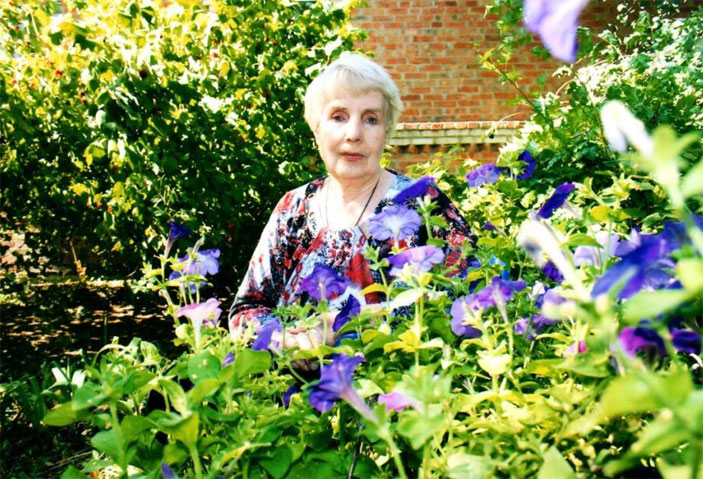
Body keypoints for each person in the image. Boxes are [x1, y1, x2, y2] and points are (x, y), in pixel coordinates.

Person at [229, 53, 472, 367]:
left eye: (370, 119)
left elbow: (469, 295)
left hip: (395, 389)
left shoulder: (421, 201)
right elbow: (246, 309)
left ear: (386, 131)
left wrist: (347, 324)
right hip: (292, 393)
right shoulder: (292, 209)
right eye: (338, 117)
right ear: (317, 128)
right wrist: (284, 338)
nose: (354, 133)